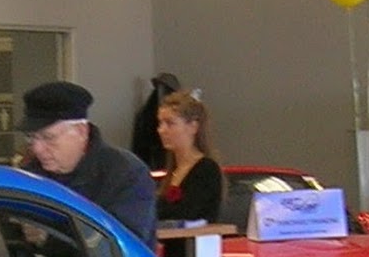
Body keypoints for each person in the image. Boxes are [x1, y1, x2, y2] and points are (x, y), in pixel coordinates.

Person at [19, 80, 156, 244]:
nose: (37, 149)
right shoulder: (29, 175)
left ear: (81, 131)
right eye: (31, 138)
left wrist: (51, 237)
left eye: (48, 137)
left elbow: (123, 243)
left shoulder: (126, 174)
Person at [155, 89, 224, 225]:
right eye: (160, 123)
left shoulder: (206, 169)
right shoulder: (172, 171)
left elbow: (189, 214)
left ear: (193, 127)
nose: (161, 130)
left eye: (170, 123)